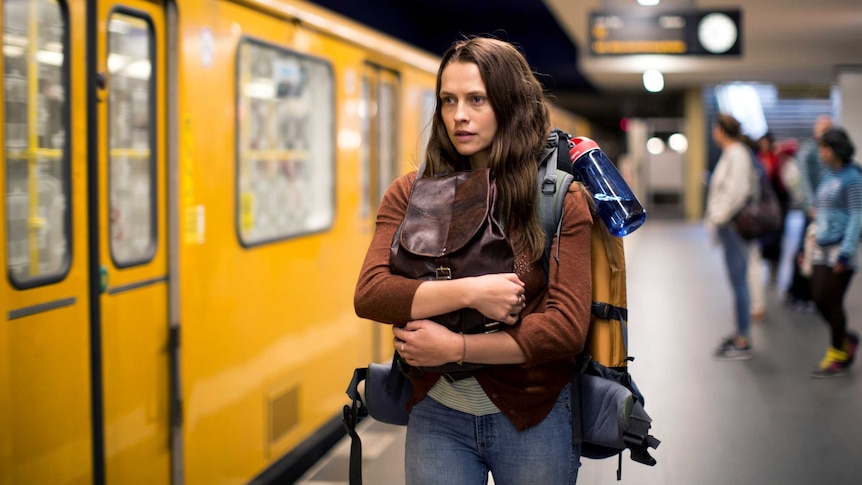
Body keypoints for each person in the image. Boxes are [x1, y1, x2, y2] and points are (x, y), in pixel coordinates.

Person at [354, 37, 592, 484]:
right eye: (448, 100)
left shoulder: (558, 197)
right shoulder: (410, 193)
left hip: (534, 414)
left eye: (476, 99)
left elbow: (565, 329)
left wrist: (456, 348)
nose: (458, 115)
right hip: (437, 413)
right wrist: (471, 292)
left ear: (510, 103)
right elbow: (372, 294)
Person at [807, 127, 861, 378]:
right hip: (821, 244)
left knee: (833, 301)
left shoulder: (852, 178)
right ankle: (846, 338)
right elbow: (821, 211)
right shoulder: (827, 176)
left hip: (841, 247)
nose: (821, 153)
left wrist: (846, 253)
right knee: (818, 298)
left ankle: (837, 355)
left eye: (825, 148)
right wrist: (808, 244)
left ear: (837, 150)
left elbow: (857, 216)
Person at [705, 113, 757, 360]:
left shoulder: (737, 154)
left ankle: (743, 338)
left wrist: (720, 217)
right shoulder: (733, 153)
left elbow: (737, 191)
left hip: (734, 226)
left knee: (739, 282)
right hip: (729, 225)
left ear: (722, 129)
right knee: (736, 281)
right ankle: (739, 333)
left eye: (715, 127)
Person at [786, 115, 833, 310]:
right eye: (823, 128)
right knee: (804, 250)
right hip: (813, 210)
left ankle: (816, 293)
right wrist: (812, 206)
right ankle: (798, 292)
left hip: (827, 210)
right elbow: (805, 181)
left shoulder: (830, 152)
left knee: (820, 252)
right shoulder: (808, 150)